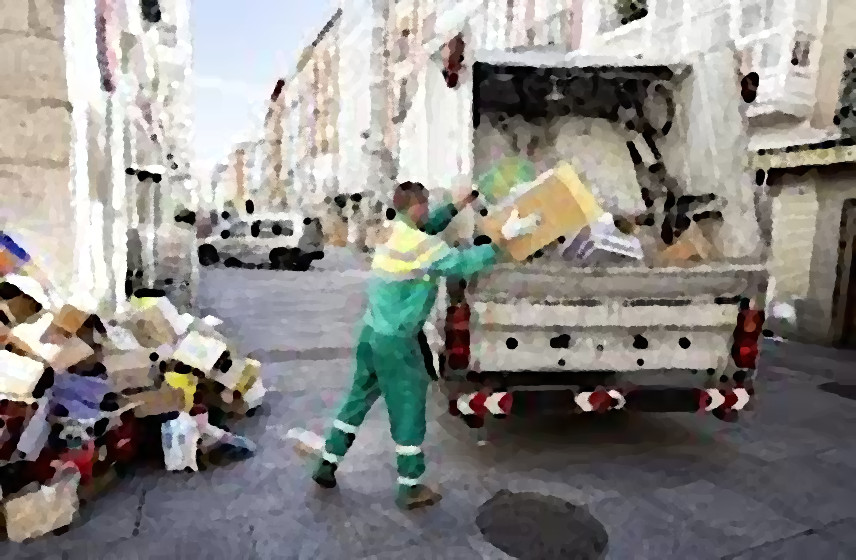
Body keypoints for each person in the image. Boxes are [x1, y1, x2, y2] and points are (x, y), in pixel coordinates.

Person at [292, 180, 539, 510]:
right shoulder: (419, 245)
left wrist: (457, 204)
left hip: (371, 334)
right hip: (397, 342)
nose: (428, 212)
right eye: (427, 205)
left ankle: (327, 464)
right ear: (418, 207)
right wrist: (505, 237)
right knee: (408, 410)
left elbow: (428, 230)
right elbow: (460, 263)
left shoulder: (394, 232)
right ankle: (410, 487)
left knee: (355, 403)